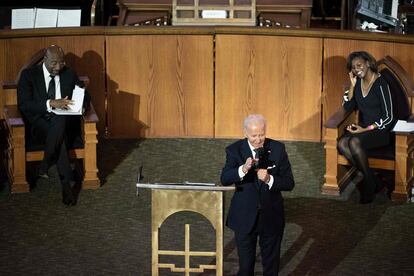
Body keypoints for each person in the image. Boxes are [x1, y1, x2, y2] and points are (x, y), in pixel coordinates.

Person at [221, 114, 294, 276]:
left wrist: (269, 179)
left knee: (271, 266)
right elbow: (224, 179)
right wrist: (243, 169)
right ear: (245, 133)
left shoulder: (278, 148)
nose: (258, 139)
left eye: (261, 134)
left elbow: (289, 183)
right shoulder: (234, 150)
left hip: (271, 216)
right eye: (254, 135)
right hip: (244, 216)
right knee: (246, 267)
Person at [17, 45, 89, 206]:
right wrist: (51, 103)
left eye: (61, 62)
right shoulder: (29, 75)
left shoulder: (68, 73)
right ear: (45, 60)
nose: (58, 67)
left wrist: (82, 105)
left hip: (64, 122)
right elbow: (24, 104)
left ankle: (45, 164)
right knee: (59, 131)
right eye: (54, 63)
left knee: (60, 121)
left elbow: (85, 93)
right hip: (39, 123)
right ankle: (66, 185)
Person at [338, 51, 394, 204]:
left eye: (359, 65)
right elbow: (347, 106)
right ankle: (373, 180)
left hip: (381, 131)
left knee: (353, 143)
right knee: (342, 143)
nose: (356, 70)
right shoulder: (358, 84)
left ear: (368, 63)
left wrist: (365, 129)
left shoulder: (381, 84)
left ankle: (369, 185)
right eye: (353, 67)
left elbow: (389, 116)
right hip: (363, 129)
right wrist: (352, 84)